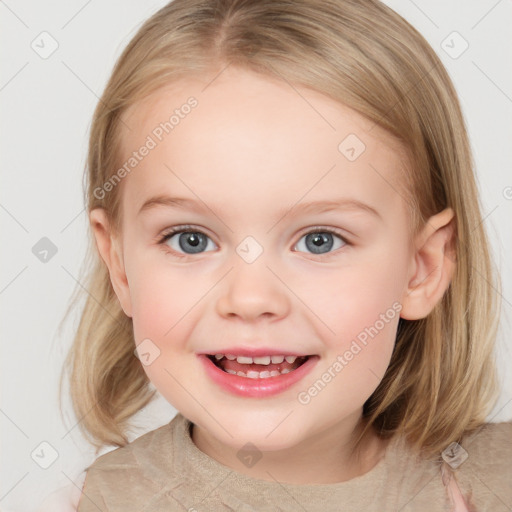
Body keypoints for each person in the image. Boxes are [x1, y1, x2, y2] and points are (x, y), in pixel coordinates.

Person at [60, 0, 511, 510]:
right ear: (119, 265)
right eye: (191, 239)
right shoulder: (111, 499)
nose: (251, 299)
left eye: (320, 240)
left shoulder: (495, 481)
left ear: (422, 268)